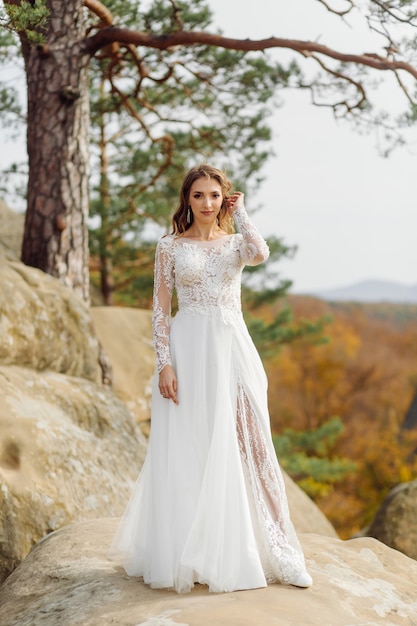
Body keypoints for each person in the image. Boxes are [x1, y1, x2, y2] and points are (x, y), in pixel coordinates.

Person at [109, 164, 312, 593]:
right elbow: (161, 309)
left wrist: (242, 214)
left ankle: (282, 553)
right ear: (187, 199)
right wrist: (164, 363)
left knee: (253, 444)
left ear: (224, 199)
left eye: (214, 196)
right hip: (186, 352)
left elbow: (261, 253)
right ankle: (194, 554)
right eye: (198, 195)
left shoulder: (236, 243)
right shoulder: (169, 247)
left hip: (232, 350)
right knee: (189, 449)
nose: (206, 203)